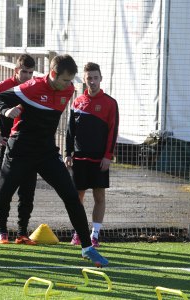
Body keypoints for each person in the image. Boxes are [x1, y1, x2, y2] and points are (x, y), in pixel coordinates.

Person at [0, 54, 109, 268]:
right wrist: (7, 110)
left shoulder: (69, 89)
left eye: (71, 80)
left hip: (46, 153)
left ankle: (87, 248)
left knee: (71, 196)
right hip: (20, 150)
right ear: (52, 74)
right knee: (0, 198)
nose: (68, 85)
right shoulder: (31, 87)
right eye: (64, 80)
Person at [64, 62, 119, 248]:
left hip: (99, 160)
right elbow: (70, 130)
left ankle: (95, 235)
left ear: (101, 78)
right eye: (89, 78)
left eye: (96, 78)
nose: (93, 81)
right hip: (79, 158)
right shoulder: (77, 102)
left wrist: (108, 156)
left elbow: (113, 131)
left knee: (99, 197)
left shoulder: (110, 103)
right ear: (85, 80)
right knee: (76, 199)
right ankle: (78, 234)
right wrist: (67, 153)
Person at [0, 54, 37, 245]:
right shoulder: (0, 88)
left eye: (31, 73)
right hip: (8, 147)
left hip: (29, 147)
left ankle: (22, 232)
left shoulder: (34, 87)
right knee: (3, 191)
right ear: (16, 71)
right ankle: (2, 232)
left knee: (27, 192)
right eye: (24, 72)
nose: (27, 76)